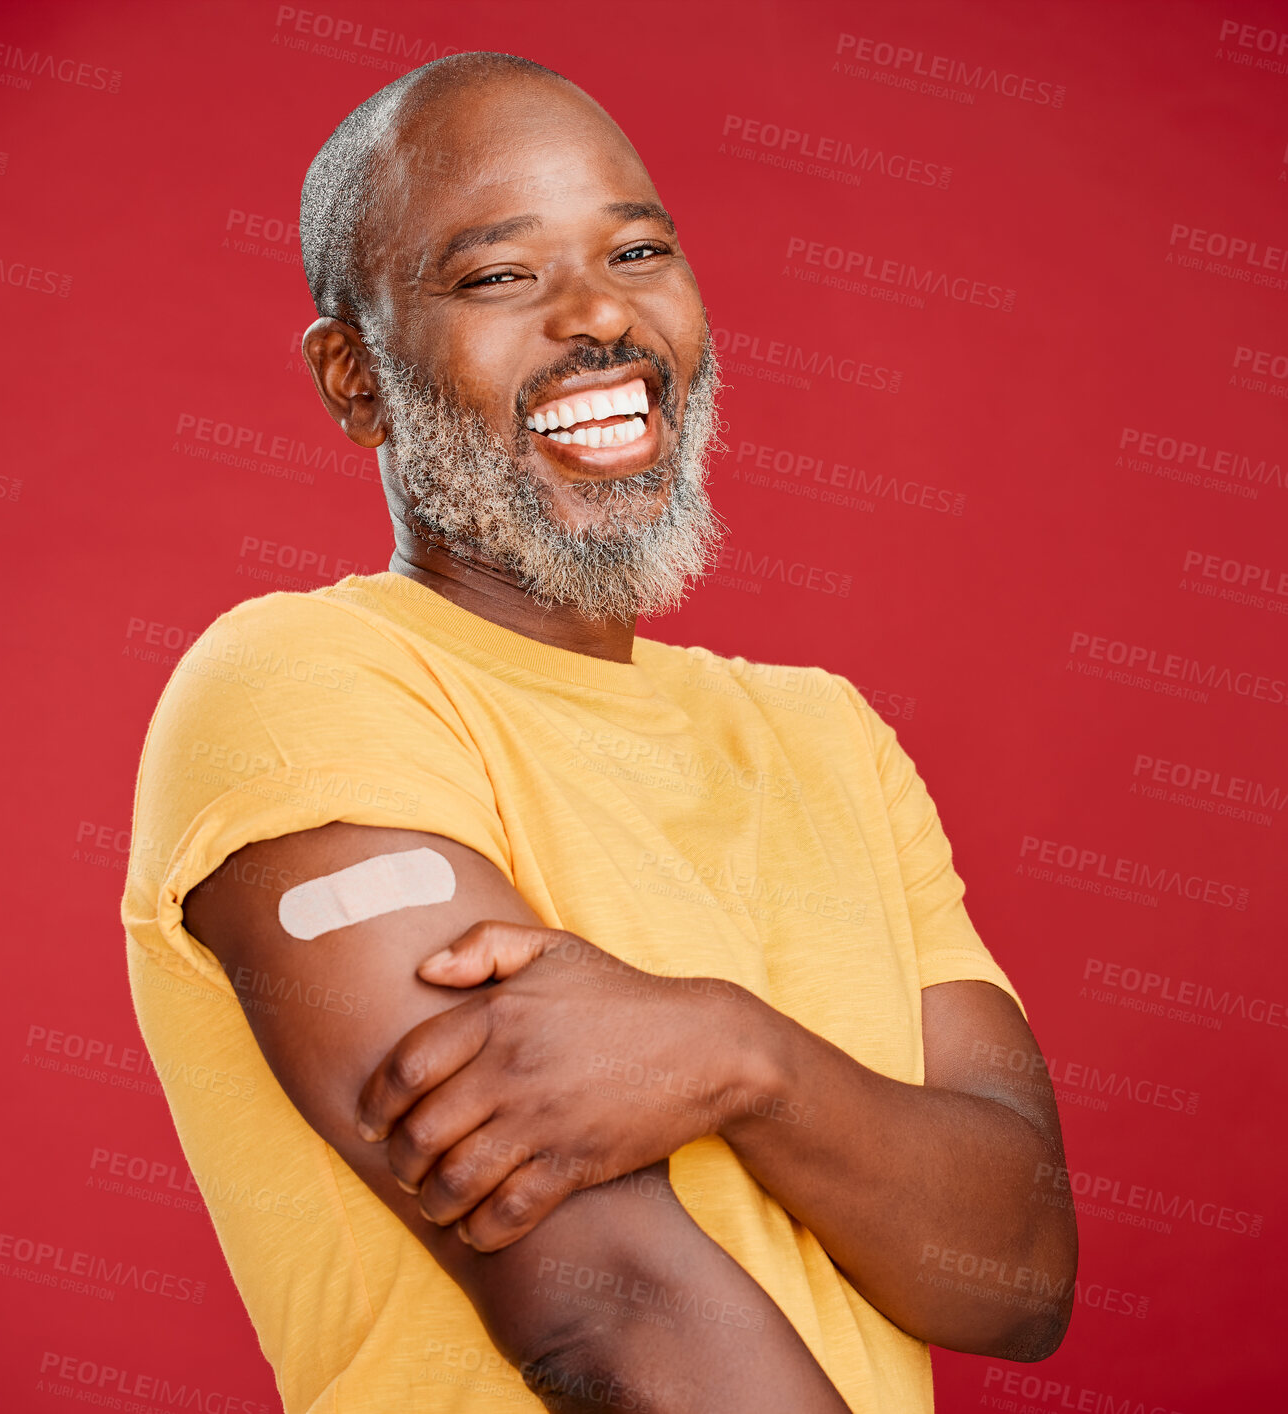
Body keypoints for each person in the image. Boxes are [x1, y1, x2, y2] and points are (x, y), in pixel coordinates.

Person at [122, 50, 1076, 1414]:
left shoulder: (824, 737)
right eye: (499, 276)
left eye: (636, 252)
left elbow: (1011, 1268)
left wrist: (739, 1057)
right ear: (356, 380)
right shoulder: (303, 682)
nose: (598, 319)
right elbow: (615, 1318)